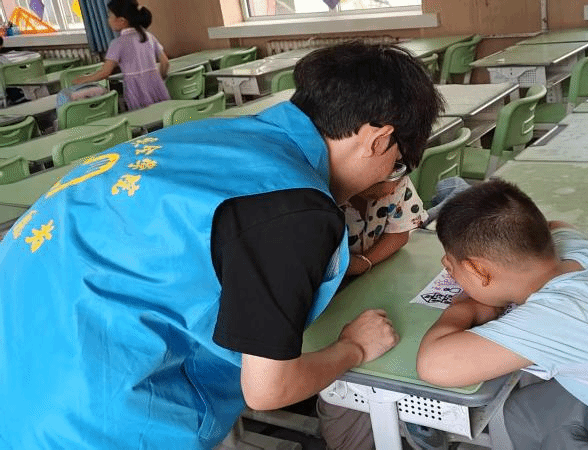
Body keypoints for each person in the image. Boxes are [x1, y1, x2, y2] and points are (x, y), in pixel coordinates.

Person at [0, 41, 443, 449]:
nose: (389, 177)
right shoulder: (294, 207)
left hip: (19, 365)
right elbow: (268, 389)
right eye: (397, 163)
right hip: (85, 417)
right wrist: (354, 348)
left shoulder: (218, 137)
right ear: (379, 140)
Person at [416, 178, 588, 449]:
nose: (450, 274)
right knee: (522, 411)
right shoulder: (576, 248)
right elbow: (557, 225)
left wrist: (464, 308)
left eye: (451, 268)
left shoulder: (562, 317)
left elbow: (434, 365)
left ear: (478, 271)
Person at [317, 163, 427, 450]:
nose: (394, 188)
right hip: (324, 294)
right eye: (388, 178)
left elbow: (401, 232)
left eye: (400, 175)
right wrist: (346, 269)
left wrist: (364, 264)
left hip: (371, 277)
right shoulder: (321, 193)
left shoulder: (396, 178)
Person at [73, 0, 170, 110]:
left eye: (110, 15)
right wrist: (159, 78)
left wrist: (84, 80)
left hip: (137, 91)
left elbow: (105, 72)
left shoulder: (117, 43)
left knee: (144, 118)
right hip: (157, 87)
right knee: (163, 114)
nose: (108, 20)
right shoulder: (149, 36)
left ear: (122, 21)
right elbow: (165, 63)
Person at [342, 162, 428, 276]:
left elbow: (399, 233)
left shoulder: (399, 176)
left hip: (373, 268)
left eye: (396, 179)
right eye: (380, 181)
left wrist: (365, 262)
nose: (390, 189)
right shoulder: (327, 197)